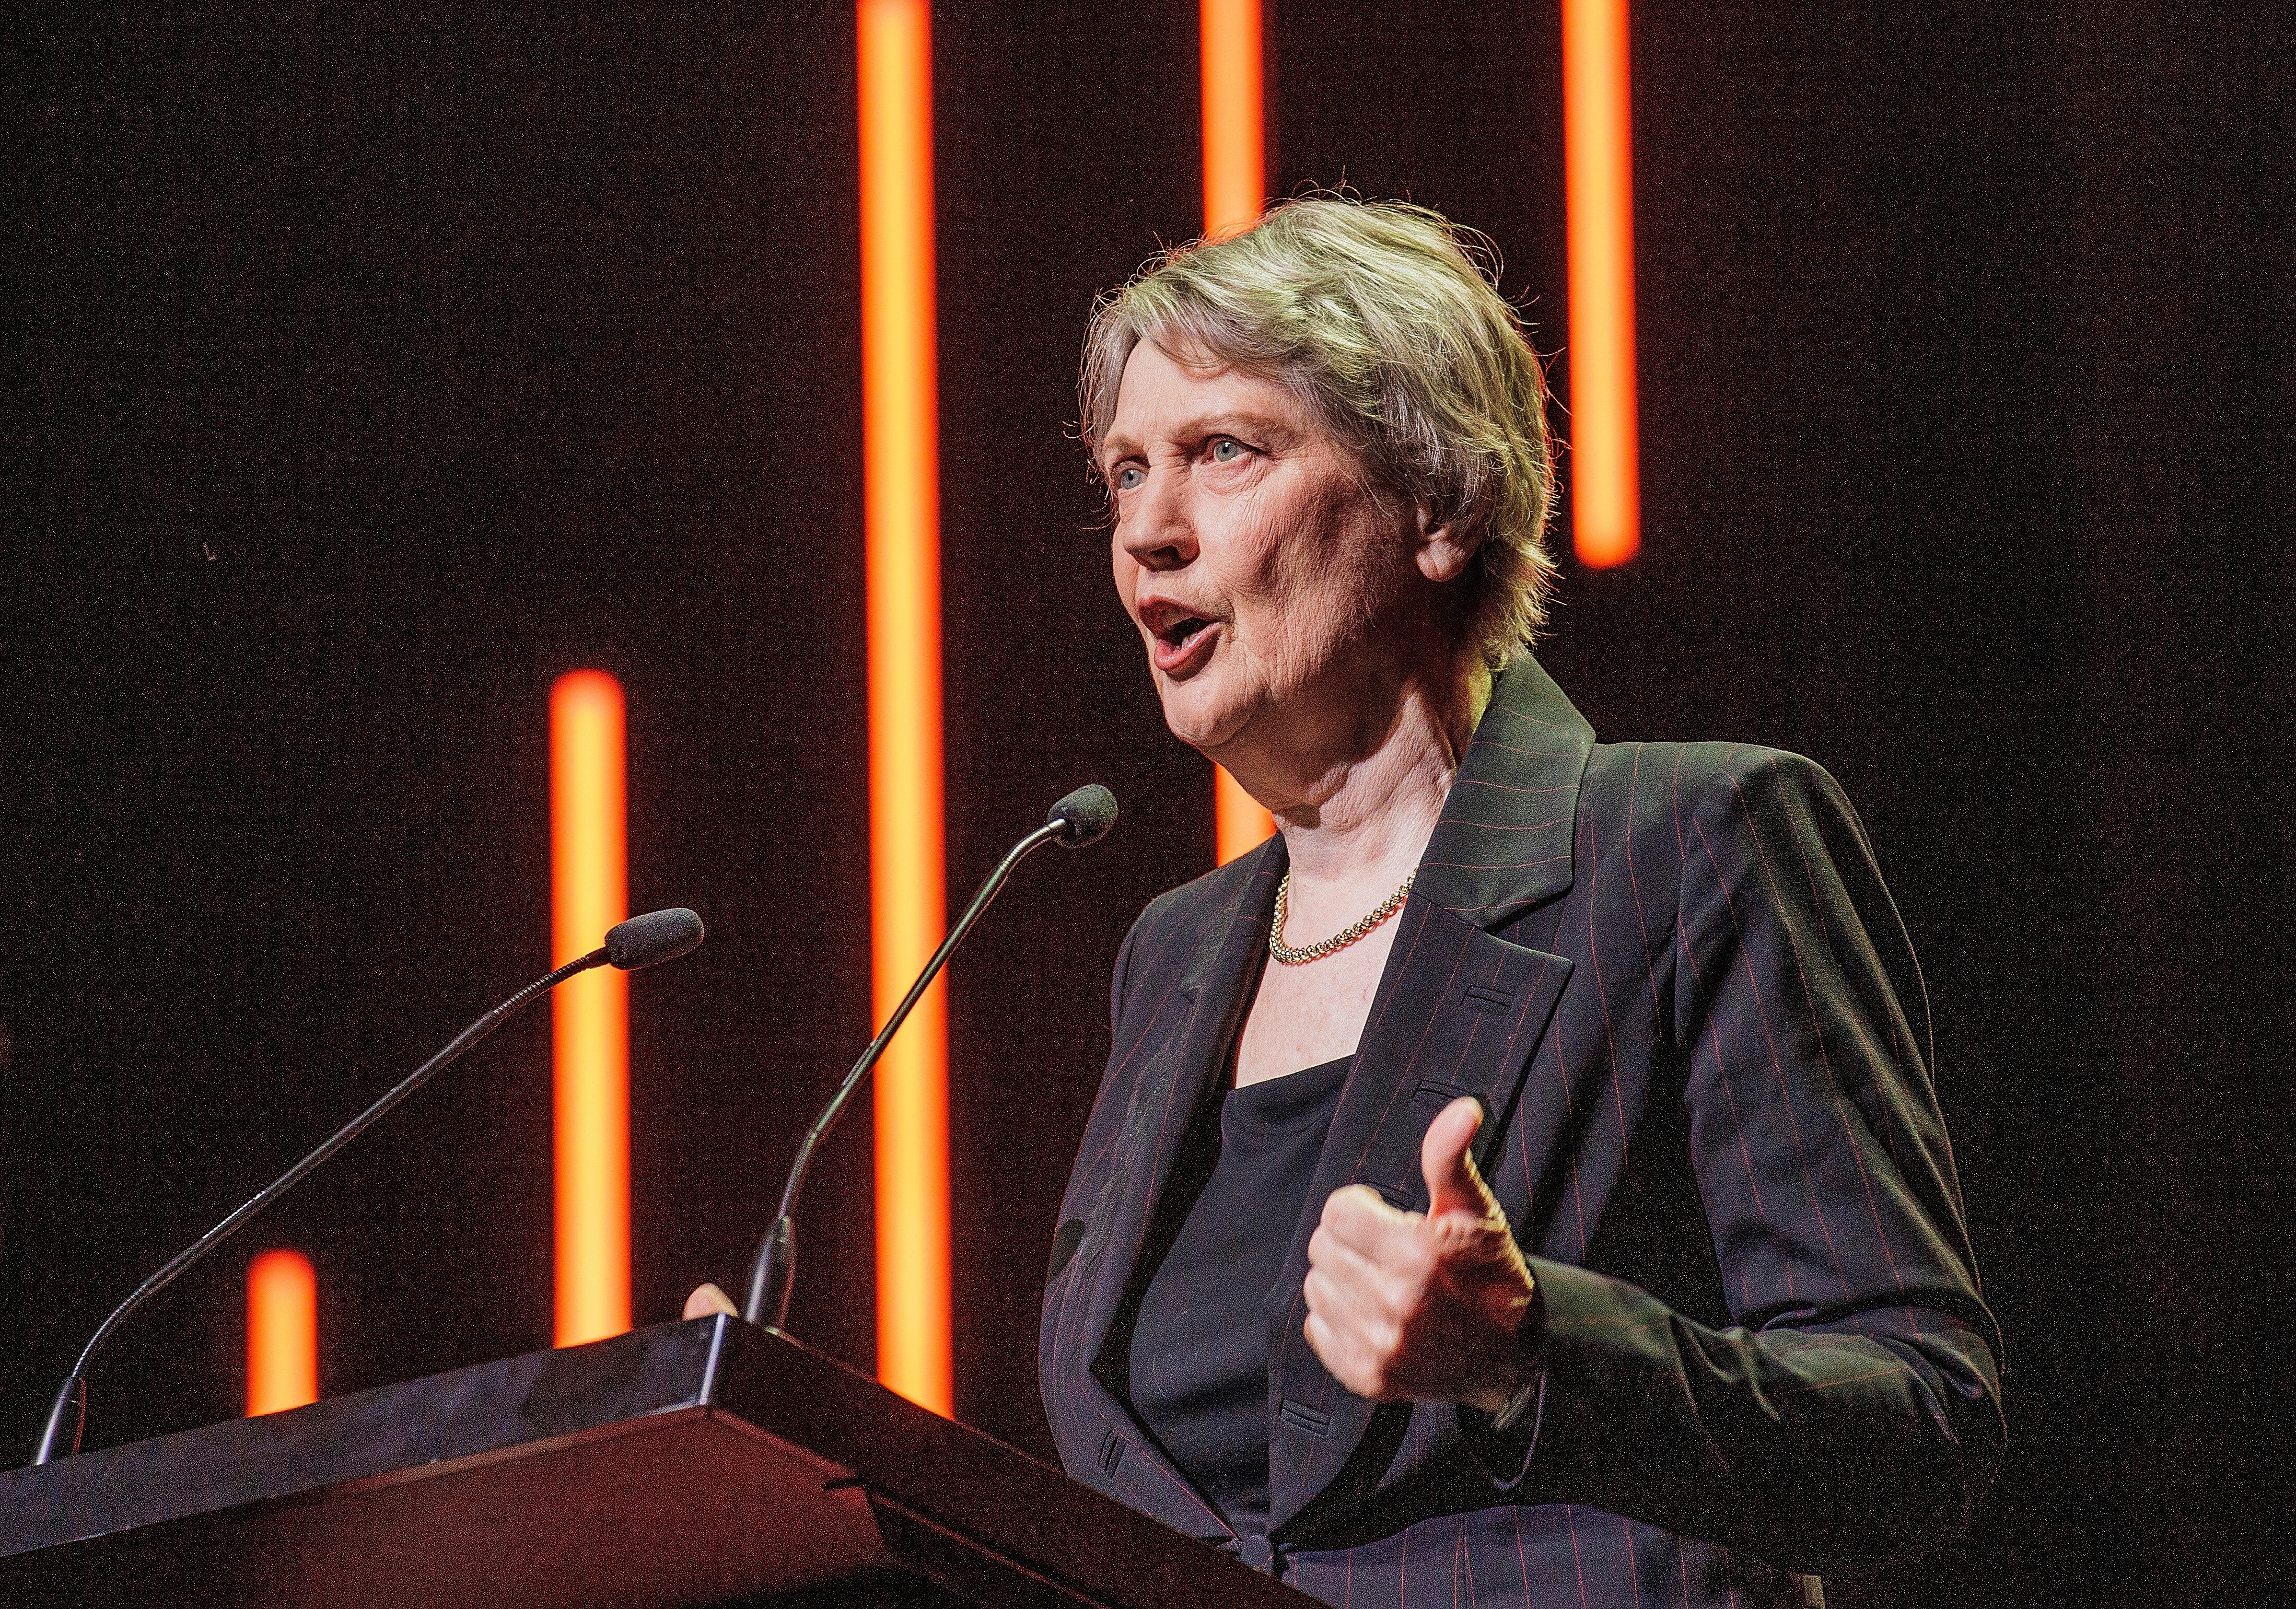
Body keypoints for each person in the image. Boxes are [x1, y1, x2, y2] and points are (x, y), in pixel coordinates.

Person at [693, 195, 2003, 1608]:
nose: (1149, 532)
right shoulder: (1176, 954)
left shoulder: (1687, 844)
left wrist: (1531, 1351)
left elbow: (1919, 1422)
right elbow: (1181, 1509)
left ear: (1438, 503)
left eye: (1221, 452)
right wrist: (811, 1460)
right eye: (1124, 473)